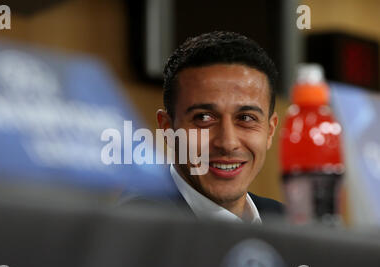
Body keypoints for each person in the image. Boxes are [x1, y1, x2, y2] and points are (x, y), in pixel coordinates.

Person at [122, 31, 284, 223]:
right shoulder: (133, 227)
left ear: (270, 130)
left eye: (246, 118)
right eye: (204, 118)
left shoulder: (289, 224)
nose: (227, 142)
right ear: (167, 128)